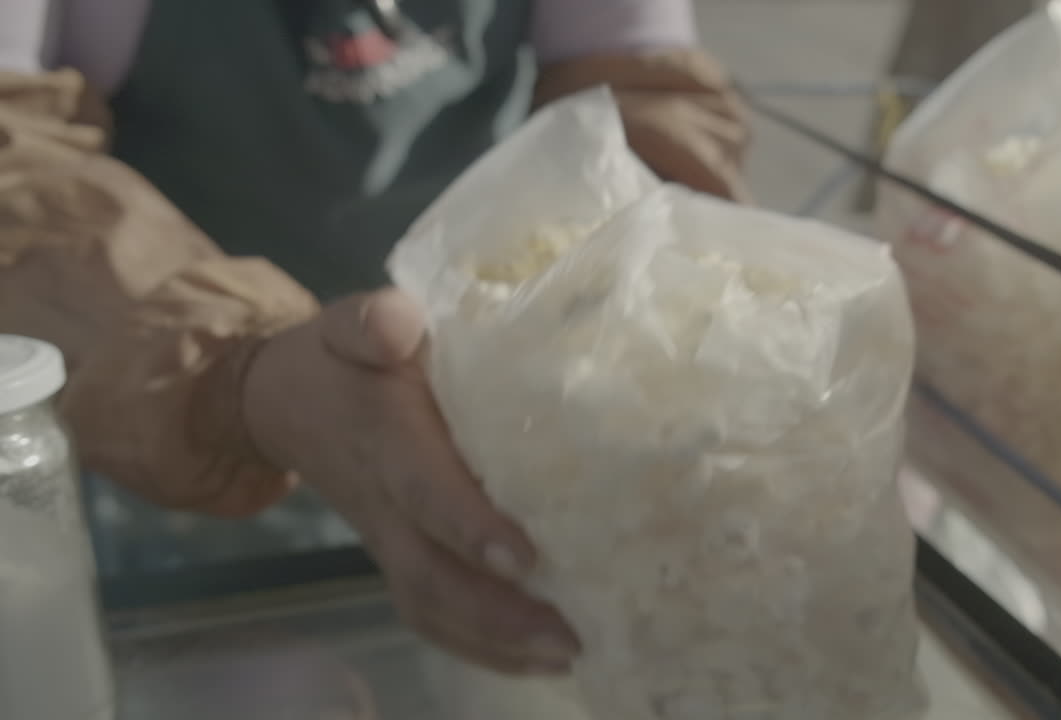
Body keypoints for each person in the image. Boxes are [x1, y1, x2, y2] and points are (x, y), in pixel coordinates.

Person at [0, 0, 748, 677]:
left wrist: (639, 306)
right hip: (172, 467)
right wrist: (244, 371)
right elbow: (17, 172)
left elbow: (640, 94)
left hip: (491, 453)